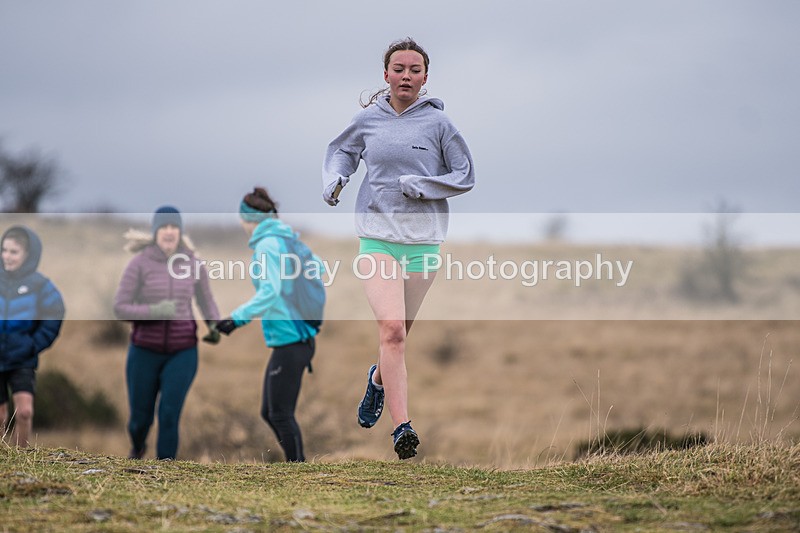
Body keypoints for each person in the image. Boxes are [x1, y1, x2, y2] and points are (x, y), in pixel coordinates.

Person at [322, 38, 475, 459]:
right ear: (386, 74)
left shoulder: (440, 125)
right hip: (377, 237)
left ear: (425, 77)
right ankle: (402, 427)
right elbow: (341, 152)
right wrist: (335, 179)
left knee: (400, 335)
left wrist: (424, 185)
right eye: (399, 69)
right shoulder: (367, 120)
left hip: (423, 241)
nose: (406, 76)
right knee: (391, 331)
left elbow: (464, 175)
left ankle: (377, 380)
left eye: (414, 70)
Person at [216, 187, 323, 462]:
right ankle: (297, 466)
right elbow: (319, 269)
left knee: (280, 413)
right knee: (271, 412)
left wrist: (236, 319)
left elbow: (270, 292)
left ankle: (298, 469)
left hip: (291, 338)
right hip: (297, 337)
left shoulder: (267, 245)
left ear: (248, 219)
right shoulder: (287, 239)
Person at [114, 206, 221, 460]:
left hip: (183, 351)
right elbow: (120, 307)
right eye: (164, 227)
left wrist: (214, 324)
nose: (169, 232)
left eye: (174, 227)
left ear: (180, 232)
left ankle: (166, 469)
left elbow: (206, 300)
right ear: (155, 232)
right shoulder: (139, 264)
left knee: (169, 414)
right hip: (144, 351)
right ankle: (138, 447)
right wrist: (154, 311)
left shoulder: (193, 264)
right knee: (140, 419)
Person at [0, 226, 65, 447]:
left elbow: (55, 313)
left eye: (14, 252)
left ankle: (21, 456)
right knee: (0, 416)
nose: (7, 256)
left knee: (24, 412)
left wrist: (33, 344)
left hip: (22, 358)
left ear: (27, 254)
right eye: (4, 250)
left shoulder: (40, 285)